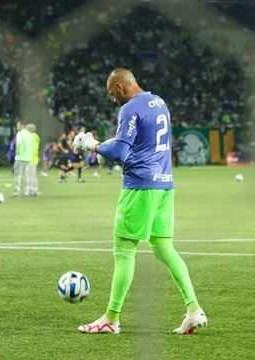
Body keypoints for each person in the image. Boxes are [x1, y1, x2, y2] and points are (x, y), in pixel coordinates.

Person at [73, 68, 206, 335]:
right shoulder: (158, 102)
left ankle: (111, 318)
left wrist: (92, 145)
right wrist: (104, 146)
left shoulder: (129, 108)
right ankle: (193, 310)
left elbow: (121, 151)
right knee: (164, 248)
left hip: (141, 186)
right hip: (164, 184)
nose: (113, 100)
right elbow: (137, 141)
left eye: (112, 94)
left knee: (124, 249)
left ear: (121, 87)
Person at [13, 122, 32, 196]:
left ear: (22, 125)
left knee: (17, 174)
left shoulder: (19, 134)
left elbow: (19, 144)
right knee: (26, 175)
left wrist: (16, 153)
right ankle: (26, 191)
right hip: (27, 157)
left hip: (20, 157)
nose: (17, 127)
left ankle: (17, 191)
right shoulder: (29, 134)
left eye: (17, 125)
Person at [27, 123, 40, 196]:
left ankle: (29, 190)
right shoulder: (36, 136)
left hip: (29, 158)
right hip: (34, 159)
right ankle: (34, 190)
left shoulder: (29, 137)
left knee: (29, 176)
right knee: (33, 176)